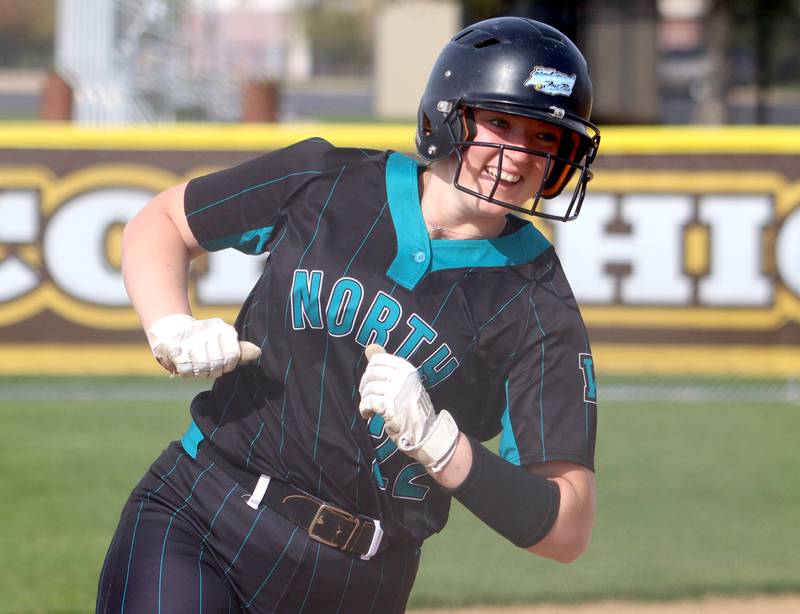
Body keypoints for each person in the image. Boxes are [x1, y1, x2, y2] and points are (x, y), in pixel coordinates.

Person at [97, 15, 601, 614]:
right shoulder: (326, 180)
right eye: (498, 123)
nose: (516, 156)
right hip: (206, 515)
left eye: (544, 138)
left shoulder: (537, 299)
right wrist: (170, 326)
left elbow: (568, 527)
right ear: (448, 114)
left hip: (362, 581)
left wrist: (444, 448)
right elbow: (161, 223)